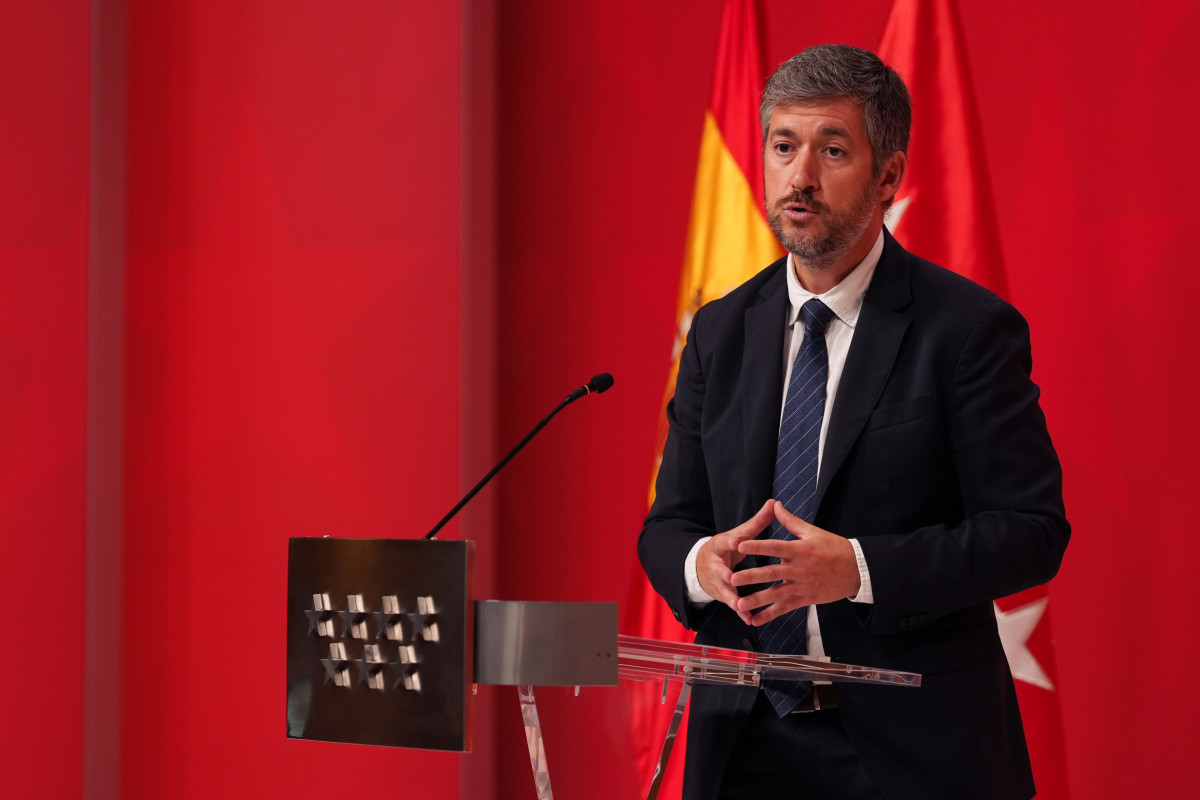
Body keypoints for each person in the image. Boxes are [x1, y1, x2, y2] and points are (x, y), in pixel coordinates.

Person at [638, 44, 1068, 800]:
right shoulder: (719, 332)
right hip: (742, 743)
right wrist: (702, 563)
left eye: (832, 151)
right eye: (783, 147)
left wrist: (859, 570)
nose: (799, 176)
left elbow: (1029, 532)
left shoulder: (965, 330)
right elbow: (669, 524)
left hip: (912, 753)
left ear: (889, 176)